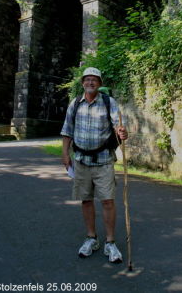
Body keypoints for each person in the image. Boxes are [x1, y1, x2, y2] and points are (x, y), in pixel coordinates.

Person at [61, 67, 128, 263]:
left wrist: (123, 133)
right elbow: (67, 130)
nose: (90, 82)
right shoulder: (75, 104)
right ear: (83, 82)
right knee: (86, 199)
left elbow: (119, 127)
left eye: (94, 80)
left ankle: (110, 242)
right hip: (81, 161)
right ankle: (91, 238)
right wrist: (65, 154)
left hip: (104, 160)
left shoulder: (108, 102)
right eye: (87, 79)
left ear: (99, 83)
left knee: (107, 200)